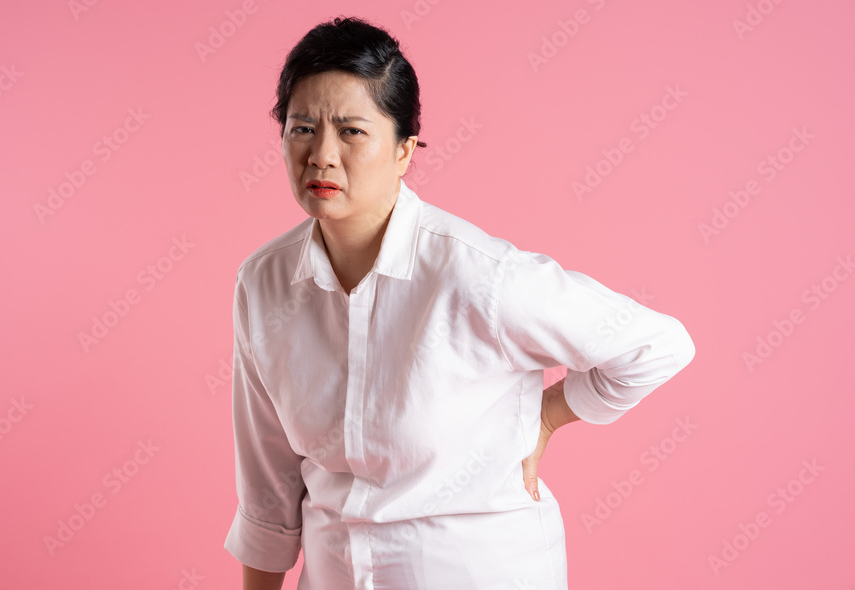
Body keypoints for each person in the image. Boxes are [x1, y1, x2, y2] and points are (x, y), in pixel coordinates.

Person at [224, 16, 695, 590]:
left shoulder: (478, 277)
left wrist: (547, 416)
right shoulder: (264, 284)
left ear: (404, 150)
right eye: (302, 129)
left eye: (351, 131)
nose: (321, 155)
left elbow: (657, 344)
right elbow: (268, 490)